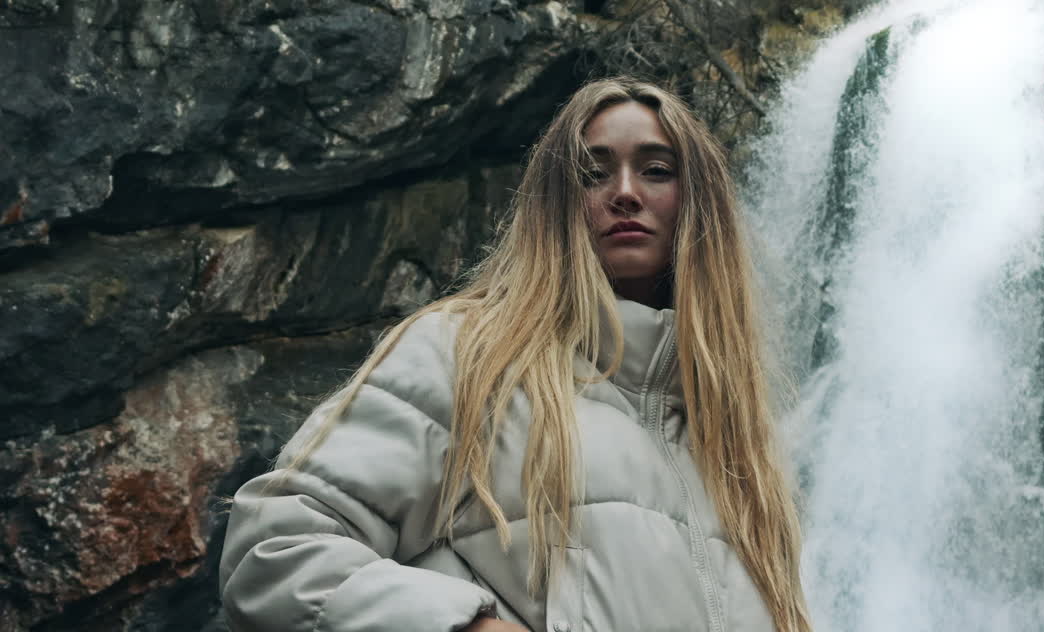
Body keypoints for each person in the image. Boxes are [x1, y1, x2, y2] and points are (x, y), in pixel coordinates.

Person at [218, 77, 813, 632]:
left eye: (656, 170)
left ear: (698, 204)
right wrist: (470, 626)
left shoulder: (744, 453)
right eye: (591, 173)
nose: (625, 193)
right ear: (555, 204)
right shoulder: (467, 353)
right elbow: (276, 549)